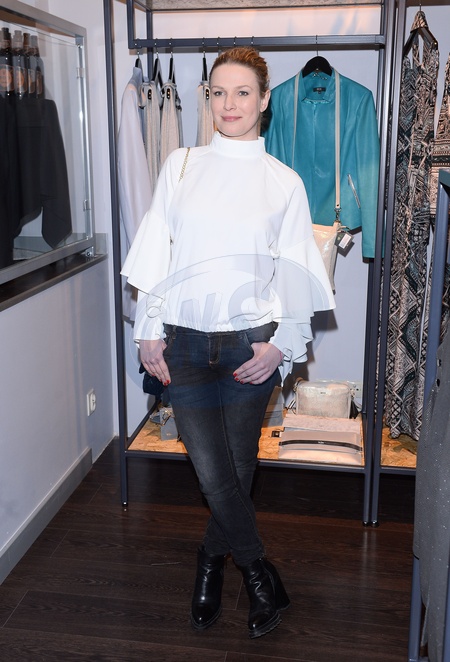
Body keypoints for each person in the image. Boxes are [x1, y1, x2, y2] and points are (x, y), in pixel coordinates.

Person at [122, 46, 335, 639]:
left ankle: (213, 562)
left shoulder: (284, 182)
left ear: (264, 100)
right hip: (186, 346)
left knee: (237, 470)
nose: (229, 104)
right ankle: (255, 570)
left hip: (251, 348)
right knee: (214, 473)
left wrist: (282, 345)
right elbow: (159, 249)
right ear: (208, 99)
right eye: (218, 93)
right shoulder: (181, 165)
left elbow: (296, 268)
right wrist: (147, 329)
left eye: (242, 92)